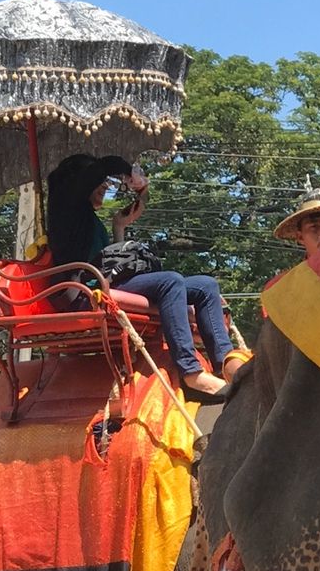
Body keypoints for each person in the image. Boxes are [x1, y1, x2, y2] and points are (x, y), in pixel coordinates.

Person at [46, 154, 241, 401]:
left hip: (105, 282)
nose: (106, 186)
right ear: (78, 183)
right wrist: (128, 171)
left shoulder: (91, 220)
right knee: (170, 281)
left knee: (205, 285)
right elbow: (93, 175)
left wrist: (119, 226)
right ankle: (191, 373)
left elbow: (110, 264)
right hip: (84, 292)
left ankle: (225, 362)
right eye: (101, 181)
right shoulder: (67, 212)